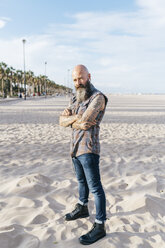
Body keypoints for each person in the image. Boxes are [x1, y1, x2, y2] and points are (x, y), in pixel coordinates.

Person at [59, 64, 108, 245]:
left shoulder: (98, 97)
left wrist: (69, 120)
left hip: (88, 149)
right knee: (81, 181)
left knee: (95, 187)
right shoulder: (75, 98)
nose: (78, 82)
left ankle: (100, 224)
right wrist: (74, 120)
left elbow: (87, 122)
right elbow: (61, 120)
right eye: (74, 80)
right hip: (75, 148)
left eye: (80, 78)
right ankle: (82, 207)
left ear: (89, 76)